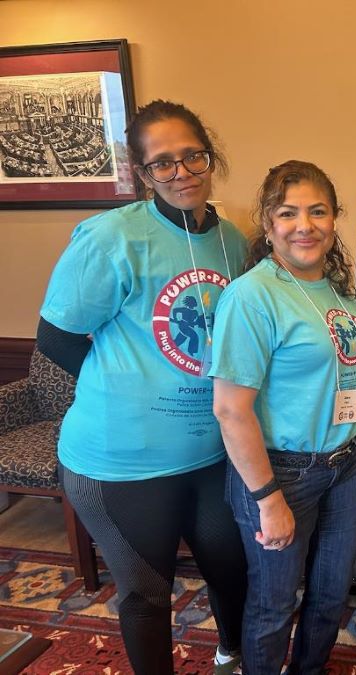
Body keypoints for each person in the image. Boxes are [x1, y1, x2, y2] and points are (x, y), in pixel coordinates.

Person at [39, 100, 247, 675]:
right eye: (162, 164)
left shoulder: (232, 240)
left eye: (192, 156)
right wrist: (123, 384)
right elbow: (56, 339)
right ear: (142, 173)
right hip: (121, 462)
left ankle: (232, 657)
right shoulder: (111, 237)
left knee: (234, 569)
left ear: (211, 157)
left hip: (209, 454)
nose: (180, 172)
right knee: (148, 595)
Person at [211, 160, 356, 675]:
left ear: (334, 218)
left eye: (318, 211)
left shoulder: (337, 288)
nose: (305, 225)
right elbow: (230, 409)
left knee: (329, 597)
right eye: (288, 213)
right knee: (274, 605)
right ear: (267, 222)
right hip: (281, 473)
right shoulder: (252, 296)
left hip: (347, 462)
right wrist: (267, 498)